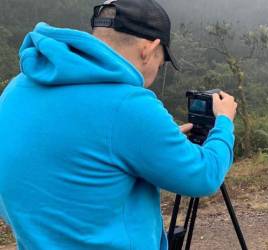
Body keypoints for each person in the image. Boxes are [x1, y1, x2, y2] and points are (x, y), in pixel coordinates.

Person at [0, 0, 237, 249]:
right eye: (162, 61)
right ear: (149, 48)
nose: (157, 70)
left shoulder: (18, 88)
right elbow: (204, 176)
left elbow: (67, 155)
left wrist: (152, 143)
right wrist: (223, 122)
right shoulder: (129, 105)